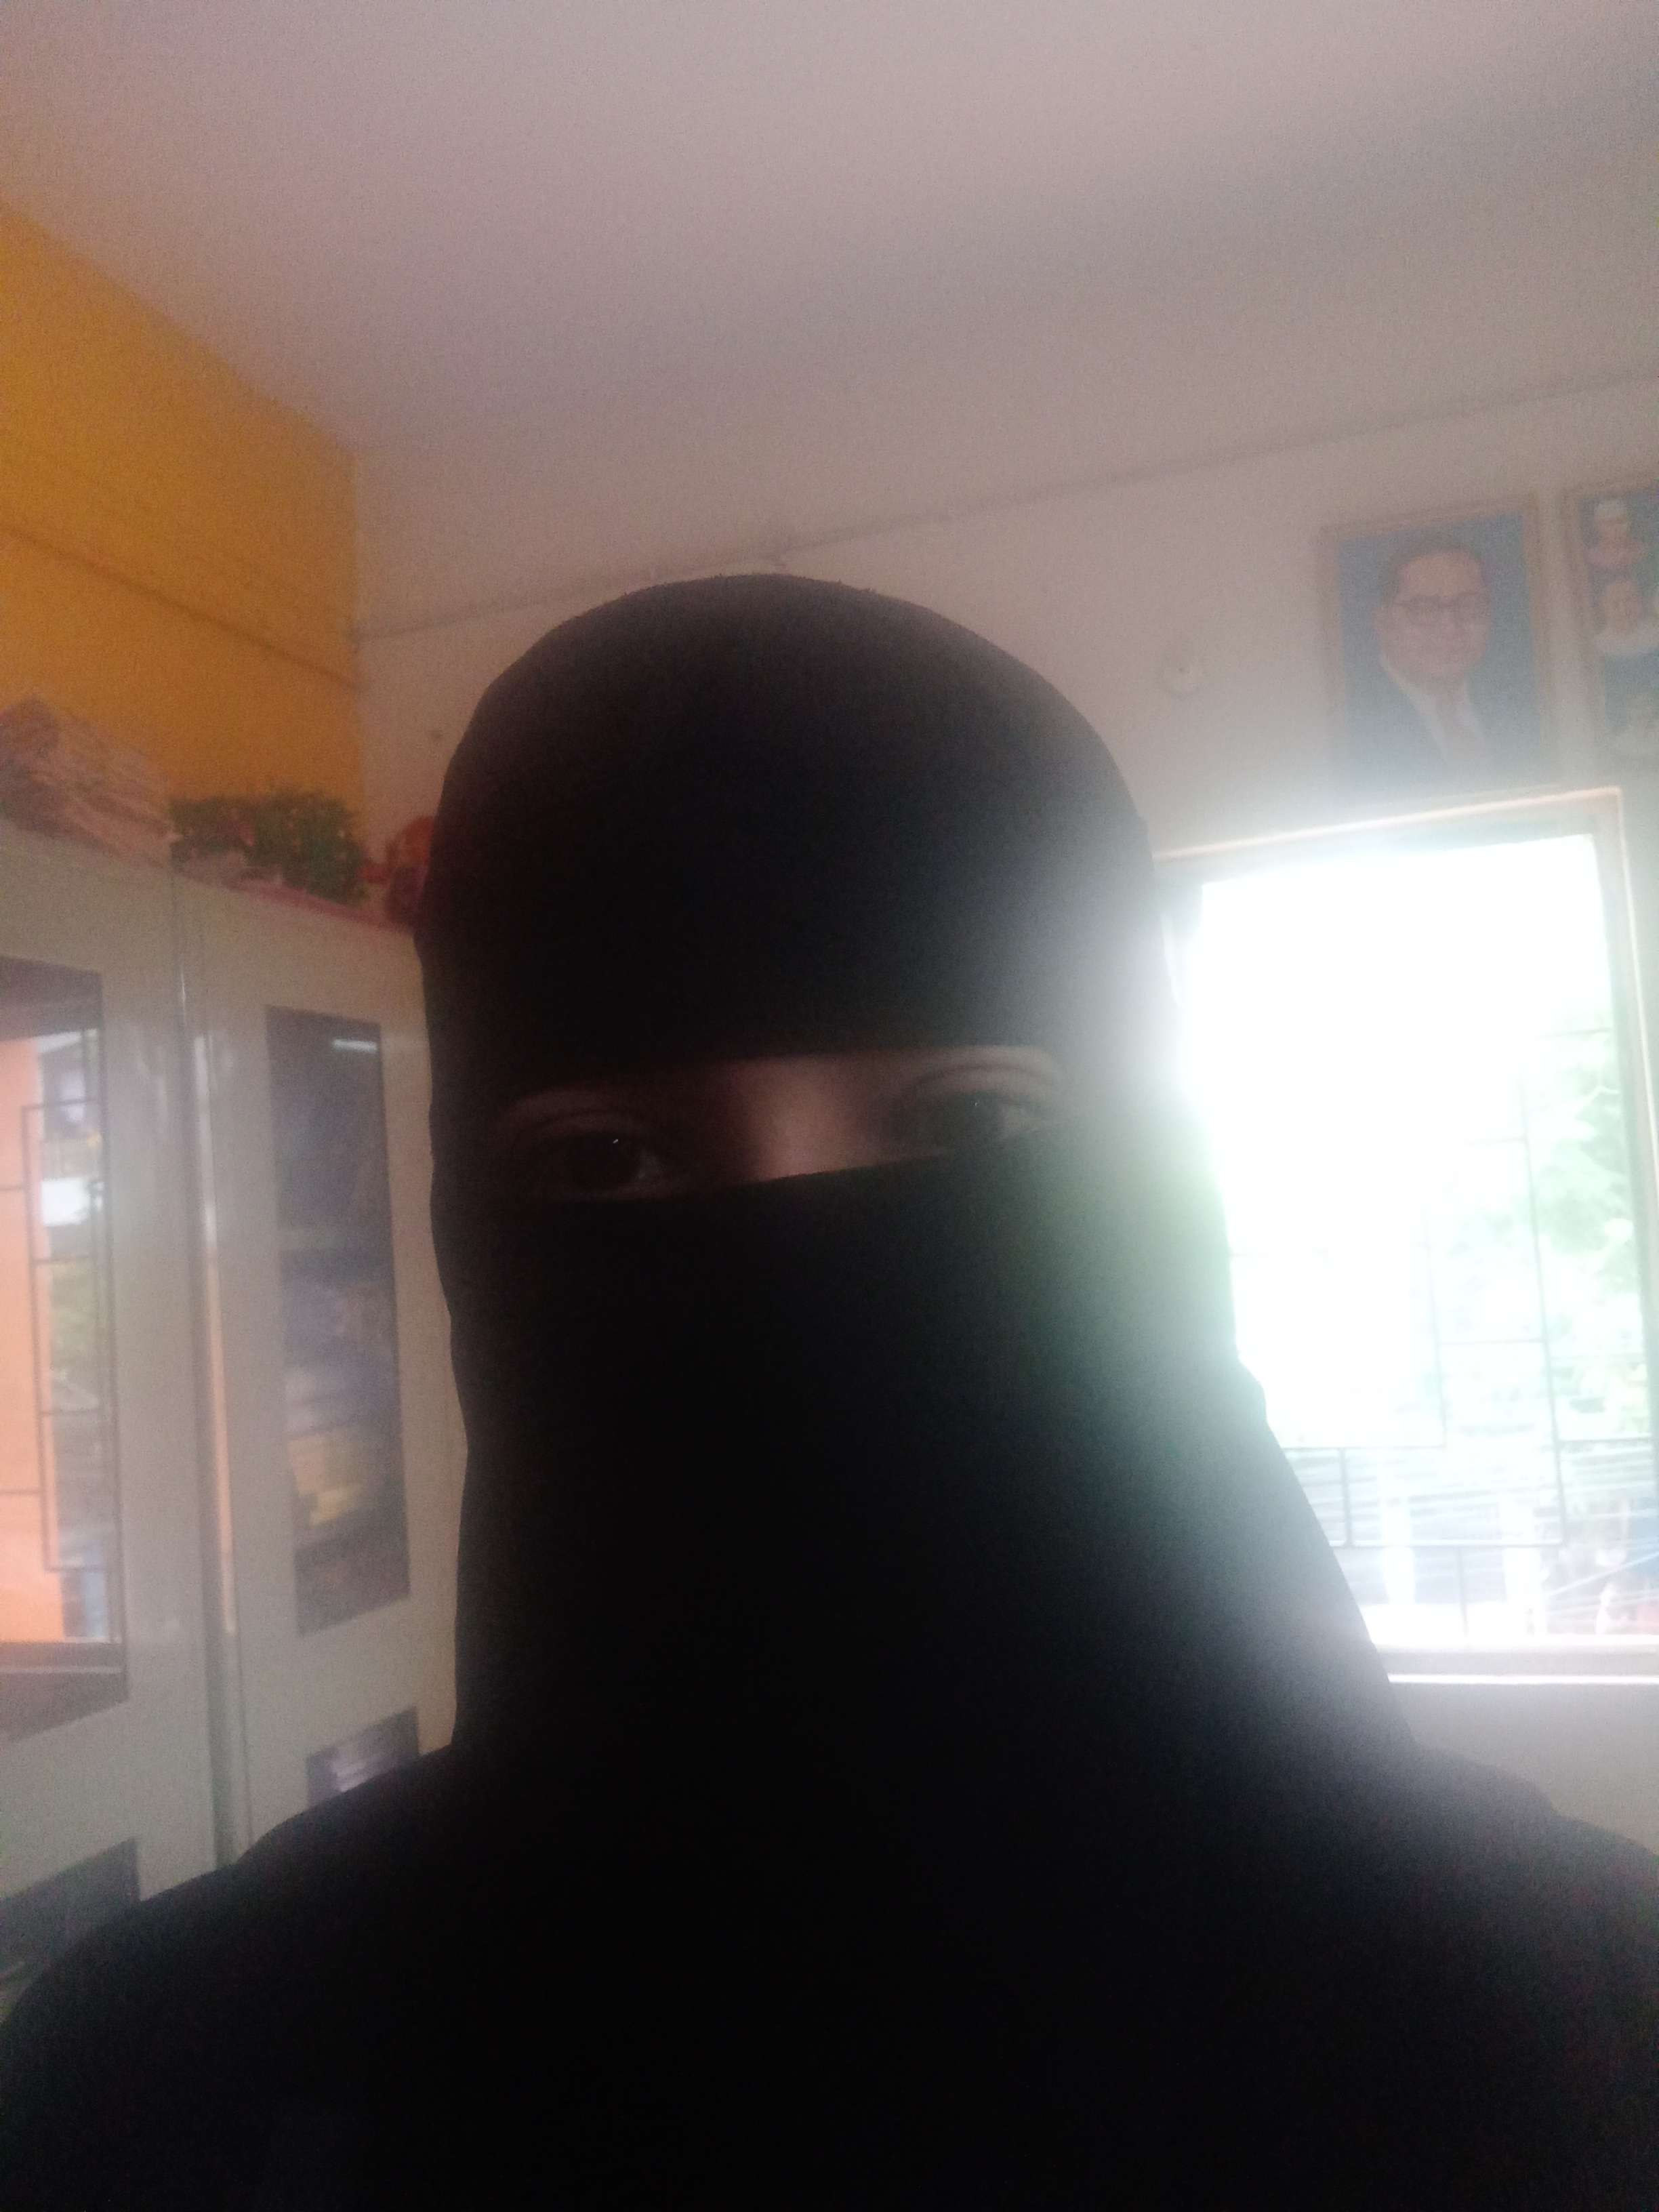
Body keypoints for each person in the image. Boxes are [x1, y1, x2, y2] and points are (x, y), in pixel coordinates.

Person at [1, 577, 1656, 2208]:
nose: (791, 1255)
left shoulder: (1596, 2013)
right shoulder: (163, 2077)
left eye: (964, 1123)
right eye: (610, 1157)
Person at [1343, 533, 1544, 796]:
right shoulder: (1348, 720)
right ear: (1383, 623)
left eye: (1469, 605)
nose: (1450, 628)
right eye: (1423, 609)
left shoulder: (1524, 702)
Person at [1595, 571, 1659, 758]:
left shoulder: (1655, 637)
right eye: (1615, 603)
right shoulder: (1597, 647)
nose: (1624, 609)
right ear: (1604, 607)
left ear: (1641, 602)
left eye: (1630, 600)